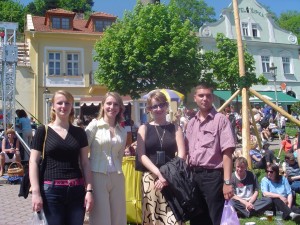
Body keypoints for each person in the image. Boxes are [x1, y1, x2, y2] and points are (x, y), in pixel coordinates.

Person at [29, 90, 93, 225]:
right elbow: (33, 161)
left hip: (76, 191)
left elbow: (85, 163)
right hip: (51, 192)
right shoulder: (43, 131)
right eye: (59, 103)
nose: (63, 106)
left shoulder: (79, 132)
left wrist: (89, 190)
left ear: (71, 106)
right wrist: (35, 192)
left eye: (67, 103)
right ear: (53, 106)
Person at [185, 83, 235, 225]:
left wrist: (227, 182)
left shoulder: (221, 120)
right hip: (193, 176)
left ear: (212, 98)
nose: (204, 99)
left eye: (208, 95)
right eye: (201, 95)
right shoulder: (191, 123)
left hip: (212, 177)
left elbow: (227, 153)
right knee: (196, 219)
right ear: (195, 98)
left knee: (214, 218)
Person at [137, 90, 186, 225]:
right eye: (154, 106)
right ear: (149, 109)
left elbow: (181, 155)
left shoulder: (176, 128)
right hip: (151, 180)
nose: (159, 109)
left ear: (166, 106)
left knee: (174, 219)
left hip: (172, 178)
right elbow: (141, 155)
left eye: (161, 105)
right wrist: (159, 174)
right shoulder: (144, 129)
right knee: (153, 219)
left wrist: (166, 175)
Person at [85, 92, 127, 225]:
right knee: (100, 219)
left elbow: (120, 156)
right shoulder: (94, 126)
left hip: (117, 176)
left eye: (116, 104)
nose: (112, 107)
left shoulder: (122, 131)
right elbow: (83, 155)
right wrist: (86, 183)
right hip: (97, 175)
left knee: (118, 217)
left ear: (120, 108)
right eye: (108, 103)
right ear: (103, 106)